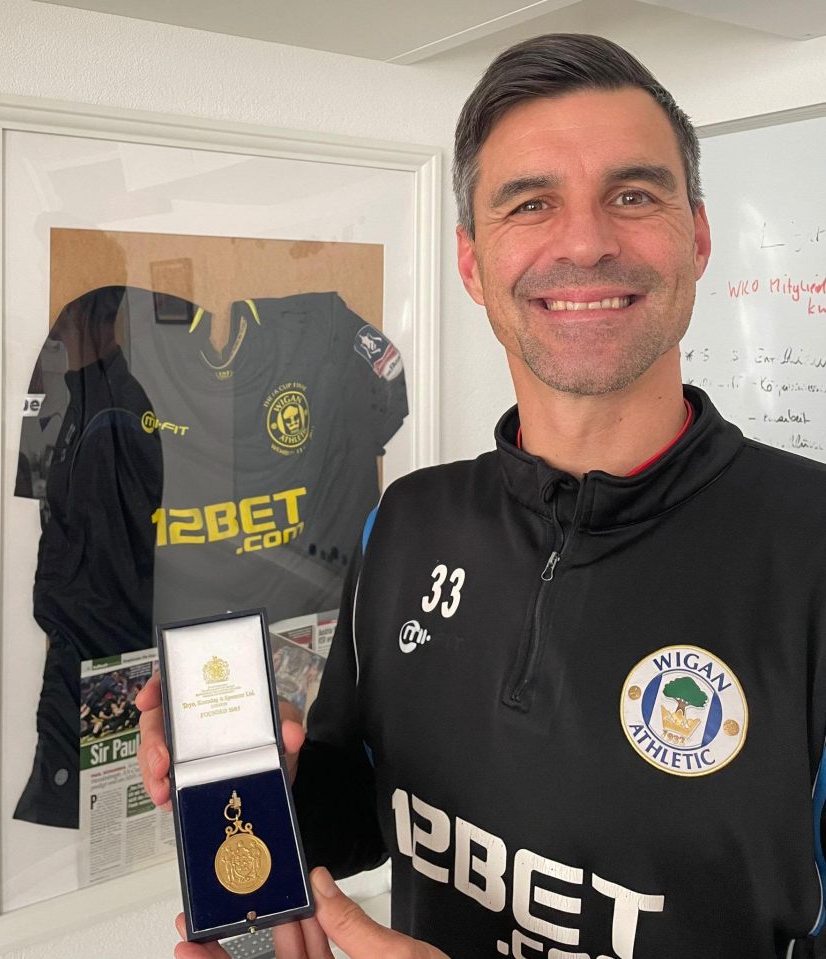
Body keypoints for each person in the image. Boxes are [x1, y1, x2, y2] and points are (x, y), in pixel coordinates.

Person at [136, 33, 826, 959]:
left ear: (697, 237)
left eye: (632, 194)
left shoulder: (811, 549)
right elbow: (356, 809)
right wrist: (243, 787)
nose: (584, 241)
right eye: (530, 203)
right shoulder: (408, 520)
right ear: (472, 263)